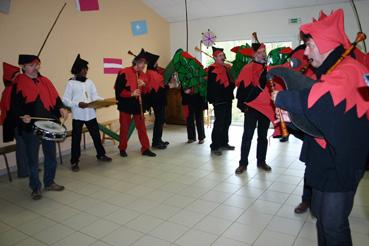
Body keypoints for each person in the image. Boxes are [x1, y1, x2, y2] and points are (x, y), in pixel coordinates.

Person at [271, 9, 369, 245]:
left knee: (333, 225)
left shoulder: (350, 70)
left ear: (325, 44)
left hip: (341, 164)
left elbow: (321, 99)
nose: (305, 52)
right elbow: (324, 120)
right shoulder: (331, 72)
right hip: (325, 160)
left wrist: (283, 98)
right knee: (323, 220)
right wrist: (291, 119)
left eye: (309, 45)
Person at [11, 54, 68, 200]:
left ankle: (49, 182)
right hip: (30, 126)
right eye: (30, 65)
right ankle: (35, 187)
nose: (34, 68)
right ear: (23, 67)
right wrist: (23, 115)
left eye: (36, 64)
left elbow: (56, 99)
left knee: (50, 156)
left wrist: (61, 108)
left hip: (49, 123)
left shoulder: (45, 81)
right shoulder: (19, 83)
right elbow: (14, 106)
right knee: (33, 159)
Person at [63, 54, 112, 172]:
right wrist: (77, 104)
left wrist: (104, 101)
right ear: (77, 70)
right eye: (84, 69)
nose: (86, 71)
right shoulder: (71, 83)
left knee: (96, 136)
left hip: (90, 114)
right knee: (76, 139)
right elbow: (65, 100)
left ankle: (101, 154)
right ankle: (74, 161)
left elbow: (94, 96)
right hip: (78, 116)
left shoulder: (89, 82)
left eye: (86, 69)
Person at [234, 36, 272, 174]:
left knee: (262, 136)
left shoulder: (268, 69)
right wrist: (244, 106)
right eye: (260, 52)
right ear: (254, 54)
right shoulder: (247, 68)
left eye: (264, 52)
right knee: (247, 136)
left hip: (265, 107)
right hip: (251, 107)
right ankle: (243, 163)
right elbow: (241, 90)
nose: (263, 54)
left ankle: (261, 161)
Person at [114, 49, 156, 157]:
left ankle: (146, 148)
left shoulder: (142, 74)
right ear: (136, 62)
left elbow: (147, 91)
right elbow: (118, 92)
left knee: (141, 127)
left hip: (138, 104)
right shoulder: (124, 72)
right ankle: (122, 148)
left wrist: (144, 85)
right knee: (124, 127)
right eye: (142, 63)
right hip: (125, 104)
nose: (144, 66)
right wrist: (131, 93)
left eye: (145, 64)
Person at [1, 62, 31, 178]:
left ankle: (29, 166)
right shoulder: (10, 90)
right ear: (11, 77)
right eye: (17, 75)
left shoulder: (14, 87)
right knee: (22, 147)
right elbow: (11, 109)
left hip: (21, 122)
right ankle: (23, 171)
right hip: (17, 123)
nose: (19, 77)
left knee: (28, 145)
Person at [207, 47, 235, 156]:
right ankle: (215, 146)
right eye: (220, 56)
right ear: (214, 57)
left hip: (227, 98)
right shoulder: (211, 69)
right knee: (219, 123)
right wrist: (213, 99)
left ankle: (224, 143)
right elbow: (211, 87)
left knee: (227, 121)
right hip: (218, 100)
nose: (222, 57)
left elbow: (230, 83)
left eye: (223, 55)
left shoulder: (227, 69)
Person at [143, 51, 169, 149]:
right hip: (157, 101)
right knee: (159, 120)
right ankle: (156, 142)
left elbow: (160, 85)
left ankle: (159, 139)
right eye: (156, 62)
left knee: (160, 120)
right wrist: (166, 86)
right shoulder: (151, 73)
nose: (157, 64)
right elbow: (156, 88)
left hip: (159, 100)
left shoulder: (154, 72)